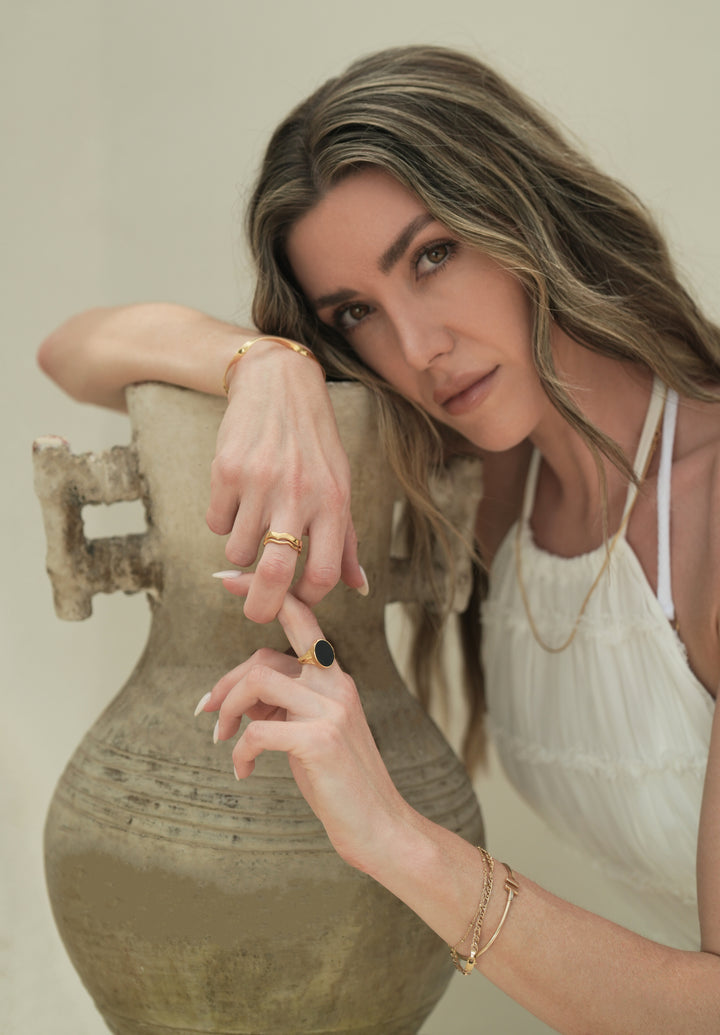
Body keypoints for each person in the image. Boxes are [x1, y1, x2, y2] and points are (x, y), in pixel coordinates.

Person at [38, 45, 720, 1032]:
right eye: (354, 314)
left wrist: (398, 841)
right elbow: (73, 353)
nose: (416, 351)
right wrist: (265, 364)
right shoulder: (491, 472)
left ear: (523, 210)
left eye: (433, 255)